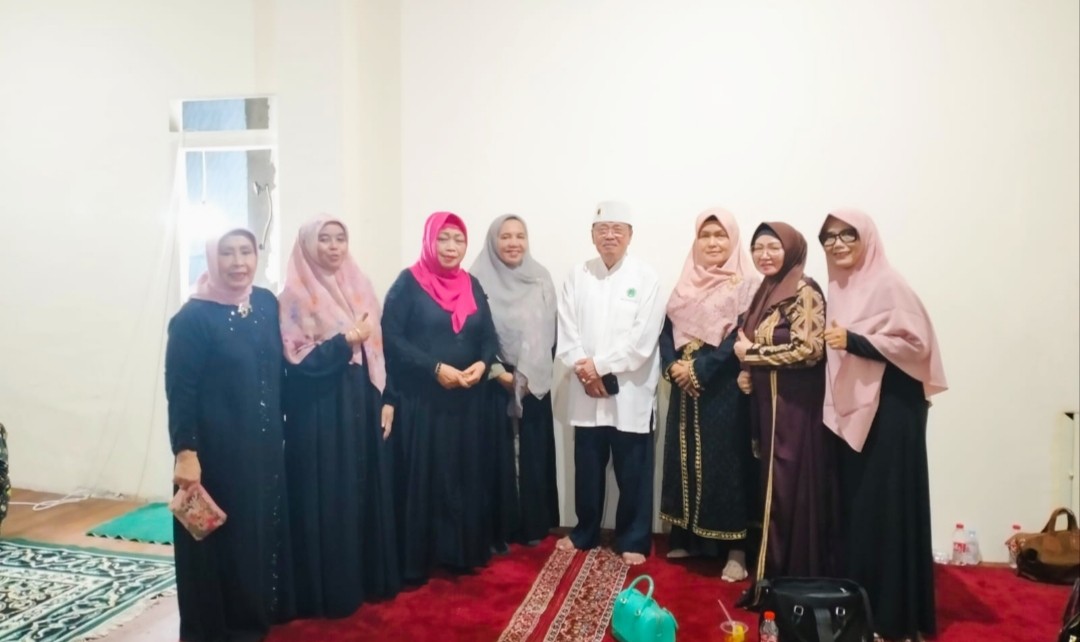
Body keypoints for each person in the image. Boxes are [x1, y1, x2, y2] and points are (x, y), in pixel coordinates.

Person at [818, 209, 947, 642]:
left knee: (890, 510)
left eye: (847, 235)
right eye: (829, 237)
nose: (837, 243)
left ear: (866, 238)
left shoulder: (887, 283)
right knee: (862, 510)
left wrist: (854, 340)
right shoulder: (840, 287)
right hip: (858, 410)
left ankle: (895, 616)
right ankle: (865, 607)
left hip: (892, 409)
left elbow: (916, 344)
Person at [166, 229, 292, 642]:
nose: (238, 262)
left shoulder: (266, 303)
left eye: (246, 252)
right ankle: (214, 630)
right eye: (227, 253)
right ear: (211, 258)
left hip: (263, 447)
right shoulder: (192, 319)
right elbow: (181, 391)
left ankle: (251, 617)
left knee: (255, 534)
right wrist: (185, 451)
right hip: (215, 452)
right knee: (217, 539)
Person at [278, 216, 401, 618]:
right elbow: (297, 362)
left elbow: (379, 349)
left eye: (340, 239)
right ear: (308, 245)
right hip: (320, 413)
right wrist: (345, 341)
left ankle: (367, 579)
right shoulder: (293, 296)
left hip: (362, 402)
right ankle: (332, 590)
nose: (333, 247)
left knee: (363, 489)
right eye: (325, 239)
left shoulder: (359, 284)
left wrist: (387, 399)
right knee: (331, 494)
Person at [382, 211, 500, 583]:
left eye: (458, 240)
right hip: (423, 400)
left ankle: (461, 553)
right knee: (426, 476)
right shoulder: (408, 283)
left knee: (463, 475)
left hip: (467, 400)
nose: (451, 247)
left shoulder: (471, 283)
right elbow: (391, 339)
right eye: (443, 238)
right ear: (429, 240)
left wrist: (482, 364)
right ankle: (423, 558)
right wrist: (435, 369)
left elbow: (488, 337)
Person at [555, 201, 666, 566]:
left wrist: (598, 367)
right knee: (587, 469)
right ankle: (584, 531)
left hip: (629, 393)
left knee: (633, 471)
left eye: (618, 229)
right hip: (586, 391)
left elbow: (642, 342)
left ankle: (633, 537)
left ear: (630, 235)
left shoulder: (646, 278)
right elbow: (566, 330)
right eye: (602, 229)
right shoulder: (577, 275)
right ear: (592, 235)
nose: (610, 236)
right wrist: (586, 371)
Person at [734, 222, 840, 583]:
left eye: (773, 247)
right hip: (770, 407)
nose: (764, 255)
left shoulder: (803, 290)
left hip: (795, 410)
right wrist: (748, 370)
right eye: (758, 248)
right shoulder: (767, 291)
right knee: (775, 488)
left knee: (789, 488)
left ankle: (791, 577)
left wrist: (753, 355)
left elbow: (810, 349)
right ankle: (773, 573)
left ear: (791, 250)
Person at [659, 208, 761, 582]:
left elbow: (740, 335)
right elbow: (665, 332)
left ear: (733, 240)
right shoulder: (685, 283)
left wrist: (700, 370)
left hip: (724, 386)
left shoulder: (748, 286)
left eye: (720, 235)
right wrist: (673, 368)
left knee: (727, 463)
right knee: (685, 459)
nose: (713, 242)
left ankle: (736, 549)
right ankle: (688, 537)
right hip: (684, 387)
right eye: (706, 235)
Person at [471, 214, 560, 550]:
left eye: (519, 236)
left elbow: (551, 331)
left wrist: (528, 373)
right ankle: (501, 526)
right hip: (493, 379)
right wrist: (500, 373)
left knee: (533, 450)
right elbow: (472, 334)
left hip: (533, 378)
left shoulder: (540, 278)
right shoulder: (476, 281)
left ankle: (533, 522)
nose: (513, 243)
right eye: (505, 236)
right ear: (493, 240)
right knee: (497, 453)